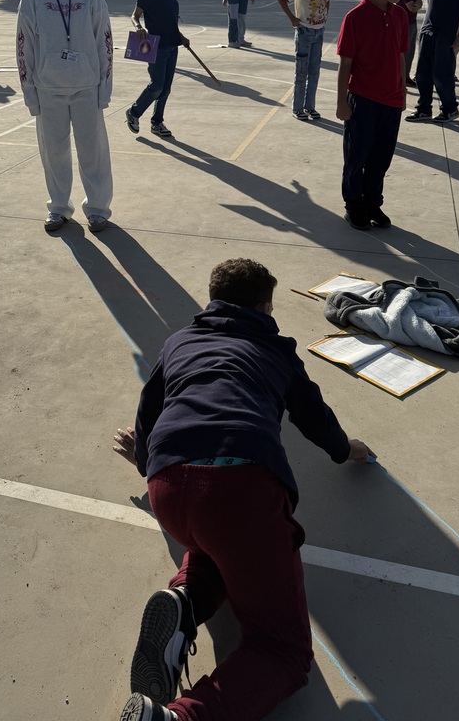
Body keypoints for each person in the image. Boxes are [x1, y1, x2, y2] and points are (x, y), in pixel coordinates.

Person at [113, 258, 374, 721]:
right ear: (265, 307)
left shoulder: (179, 342)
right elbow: (313, 417)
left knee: (219, 544)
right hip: (240, 493)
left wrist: (147, 462)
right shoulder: (275, 350)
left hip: (169, 489)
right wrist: (345, 449)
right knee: (282, 651)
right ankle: (181, 718)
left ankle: (185, 600)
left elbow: (148, 410)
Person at [16, 0, 113, 234]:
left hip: (86, 87)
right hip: (48, 89)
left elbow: (104, 39)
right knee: (54, 153)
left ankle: (97, 209)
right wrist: (30, 93)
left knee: (93, 153)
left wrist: (104, 88)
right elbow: (23, 43)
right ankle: (58, 207)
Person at [336, 0, 409, 230]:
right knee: (357, 158)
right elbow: (345, 64)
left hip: (392, 102)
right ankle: (354, 205)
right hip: (363, 100)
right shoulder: (355, 17)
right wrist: (342, 102)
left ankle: (372, 203)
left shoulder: (400, 15)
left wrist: (402, 93)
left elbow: (401, 57)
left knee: (381, 159)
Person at [126, 0, 190, 140]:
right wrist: (138, 27)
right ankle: (134, 112)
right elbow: (135, 15)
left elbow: (169, 19)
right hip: (156, 47)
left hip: (172, 45)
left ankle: (157, 122)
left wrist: (180, 36)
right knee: (156, 86)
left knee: (166, 88)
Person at [277, 0, 331, 120]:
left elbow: (326, 1)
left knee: (314, 72)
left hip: (319, 32)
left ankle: (310, 107)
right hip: (305, 32)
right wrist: (292, 18)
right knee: (301, 72)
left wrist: (324, 17)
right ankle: (298, 108)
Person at [397, 0, 423, 85]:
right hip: (407, 23)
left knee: (409, 50)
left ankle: (405, 75)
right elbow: (412, 7)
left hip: (409, 22)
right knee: (407, 51)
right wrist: (419, 2)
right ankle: (404, 76)